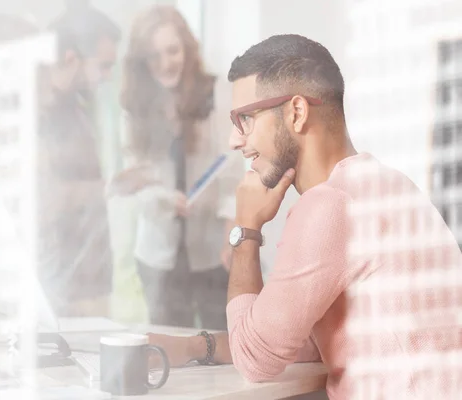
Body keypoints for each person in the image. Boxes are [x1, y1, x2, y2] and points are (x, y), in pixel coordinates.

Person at [150, 34, 462, 399]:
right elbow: (296, 336)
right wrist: (194, 347)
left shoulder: (329, 206)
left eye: (245, 119)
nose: (235, 141)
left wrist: (245, 230)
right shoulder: (391, 186)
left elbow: (256, 360)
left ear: (296, 112)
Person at [114, 5, 242, 330]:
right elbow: (135, 183)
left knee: (220, 344)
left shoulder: (214, 94)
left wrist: (231, 232)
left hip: (212, 249)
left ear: (187, 47)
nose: (165, 63)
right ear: (142, 61)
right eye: (154, 56)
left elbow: (231, 171)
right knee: (169, 348)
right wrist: (162, 198)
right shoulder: (134, 106)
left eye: (172, 51)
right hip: (158, 254)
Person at [37, 4, 121, 318]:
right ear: (71, 57)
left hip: (86, 281)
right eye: (103, 66)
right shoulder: (35, 113)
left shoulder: (76, 107)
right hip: (53, 284)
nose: (107, 76)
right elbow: (46, 201)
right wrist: (106, 187)